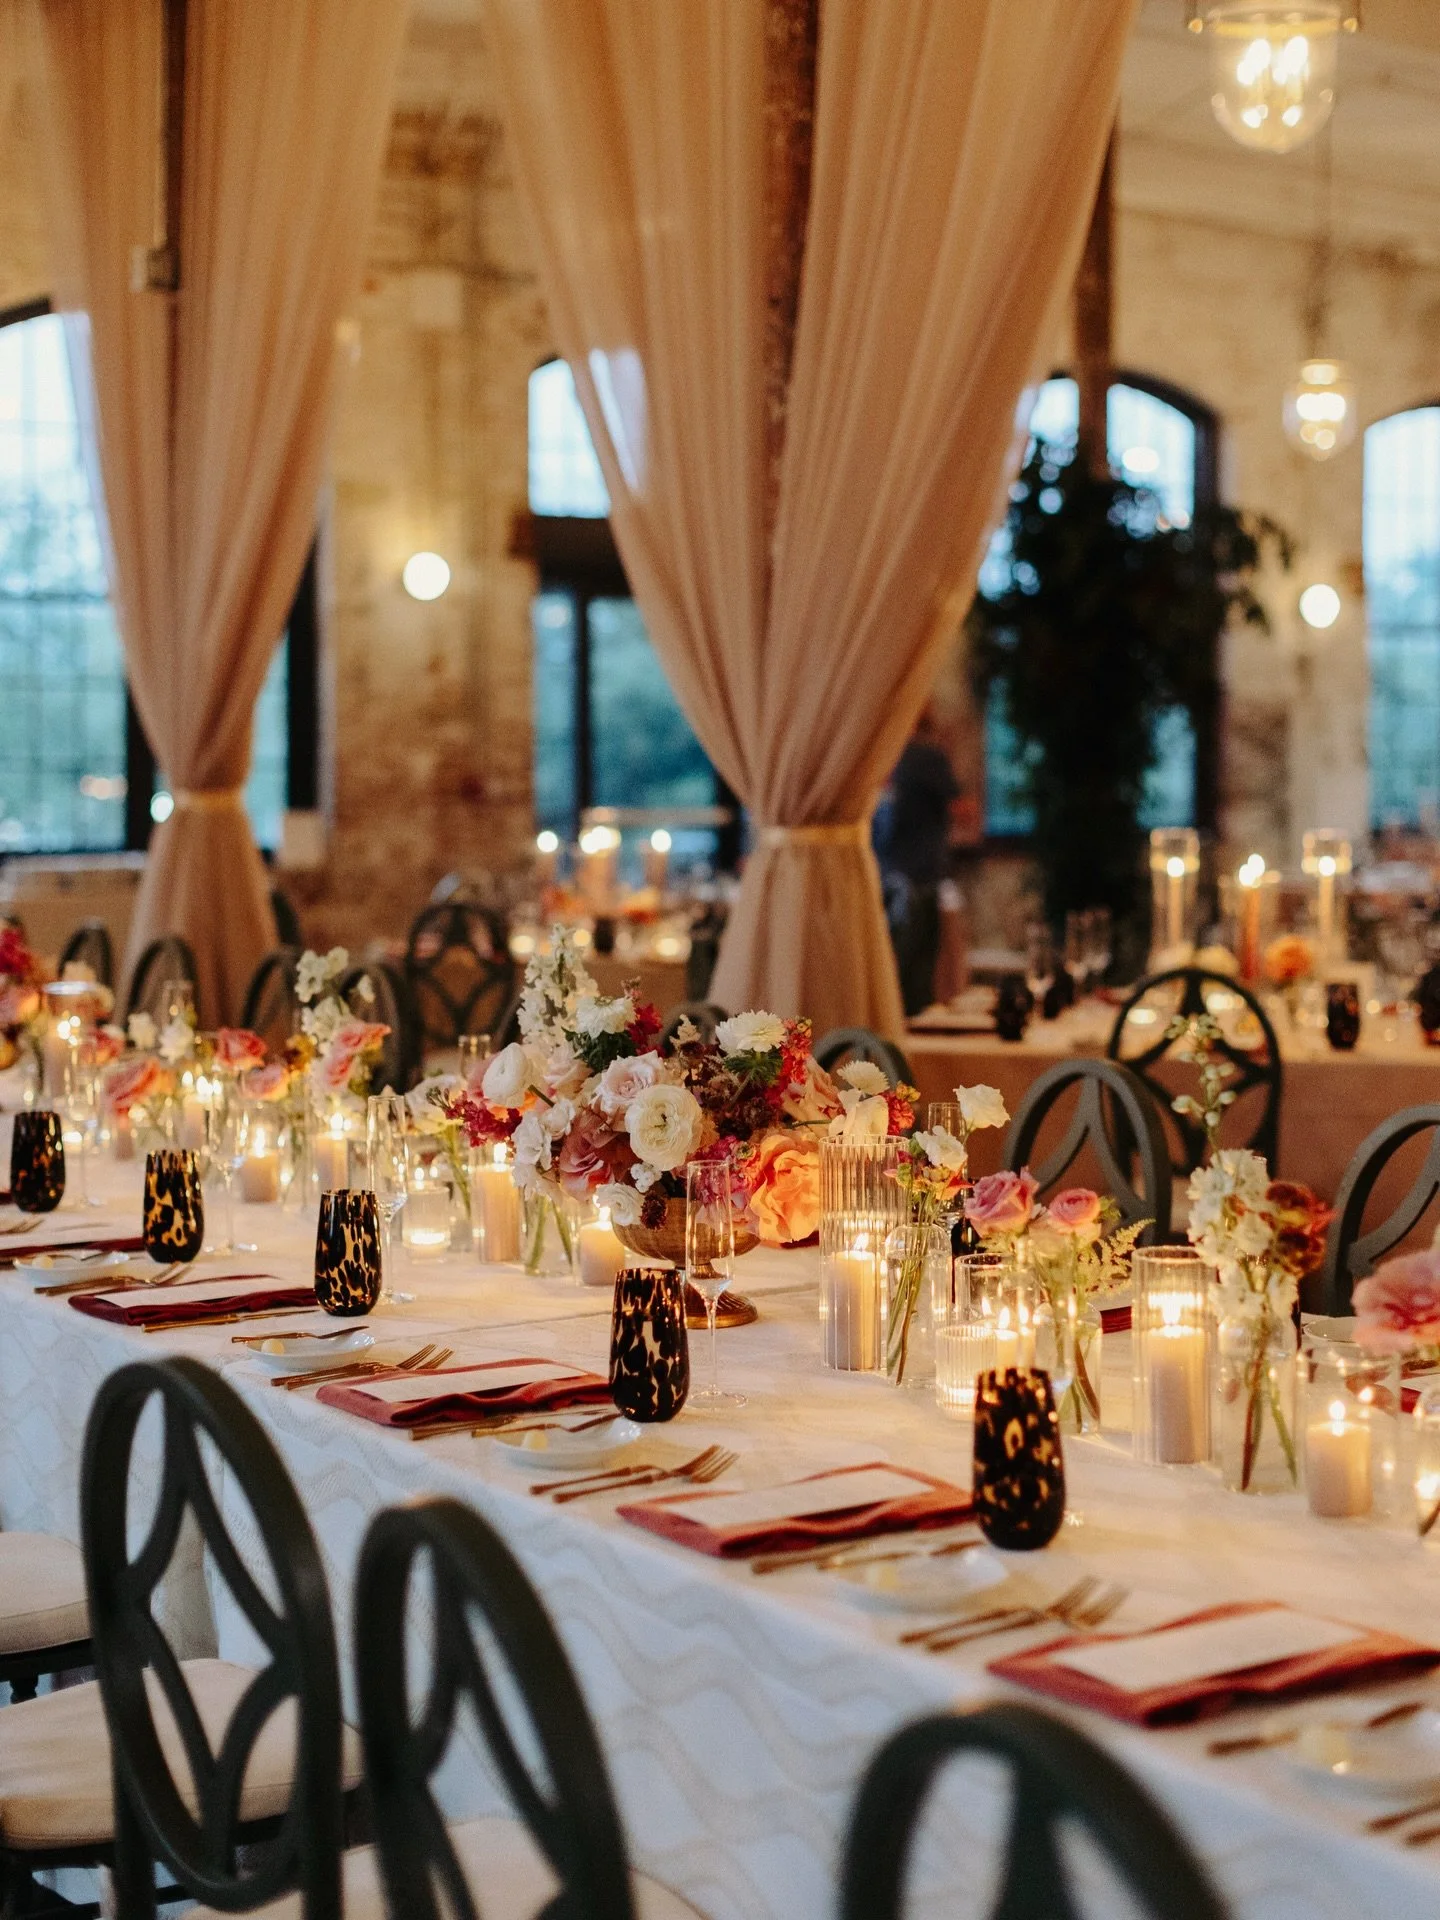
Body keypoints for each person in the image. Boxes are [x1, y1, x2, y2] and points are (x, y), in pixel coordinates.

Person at [874, 707, 964, 1017]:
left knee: (890, 975)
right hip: (920, 881)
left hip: (880, 881)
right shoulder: (927, 758)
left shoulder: (874, 759)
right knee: (918, 984)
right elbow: (964, 811)